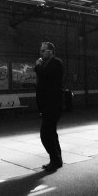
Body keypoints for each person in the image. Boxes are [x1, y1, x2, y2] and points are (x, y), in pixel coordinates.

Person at [34, 42, 64, 172]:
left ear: (50, 51)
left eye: (43, 51)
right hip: (47, 105)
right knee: (51, 133)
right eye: (40, 51)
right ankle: (56, 160)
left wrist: (37, 66)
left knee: (45, 134)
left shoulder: (56, 63)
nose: (41, 53)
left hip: (53, 104)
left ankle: (56, 160)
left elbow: (46, 75)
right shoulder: (47, 64)